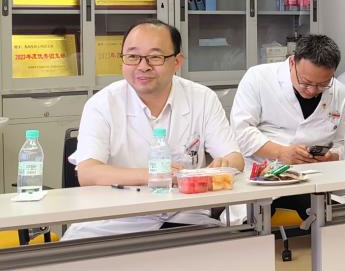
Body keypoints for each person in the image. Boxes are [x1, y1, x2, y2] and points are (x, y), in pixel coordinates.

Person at [65, 20, 243, 240]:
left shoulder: (202, 98)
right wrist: (152, 176)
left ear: (177, 62)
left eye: (155, 57)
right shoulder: (102, 104)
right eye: (133, 56)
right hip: (115, 222)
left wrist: (223, 166)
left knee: (238, 252)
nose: (143, 66)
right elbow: (88, 173)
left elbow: (235, 158)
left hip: (186, 218)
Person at [232, 34, 345, 166]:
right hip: (265, 170)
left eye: (322, 84)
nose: (312, 90)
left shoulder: (341, 92)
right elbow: (242, 131)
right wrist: (280, 152)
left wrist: (334, 156)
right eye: (306, 82)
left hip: (321, 170)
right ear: (292, 63)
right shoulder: (258, 78)